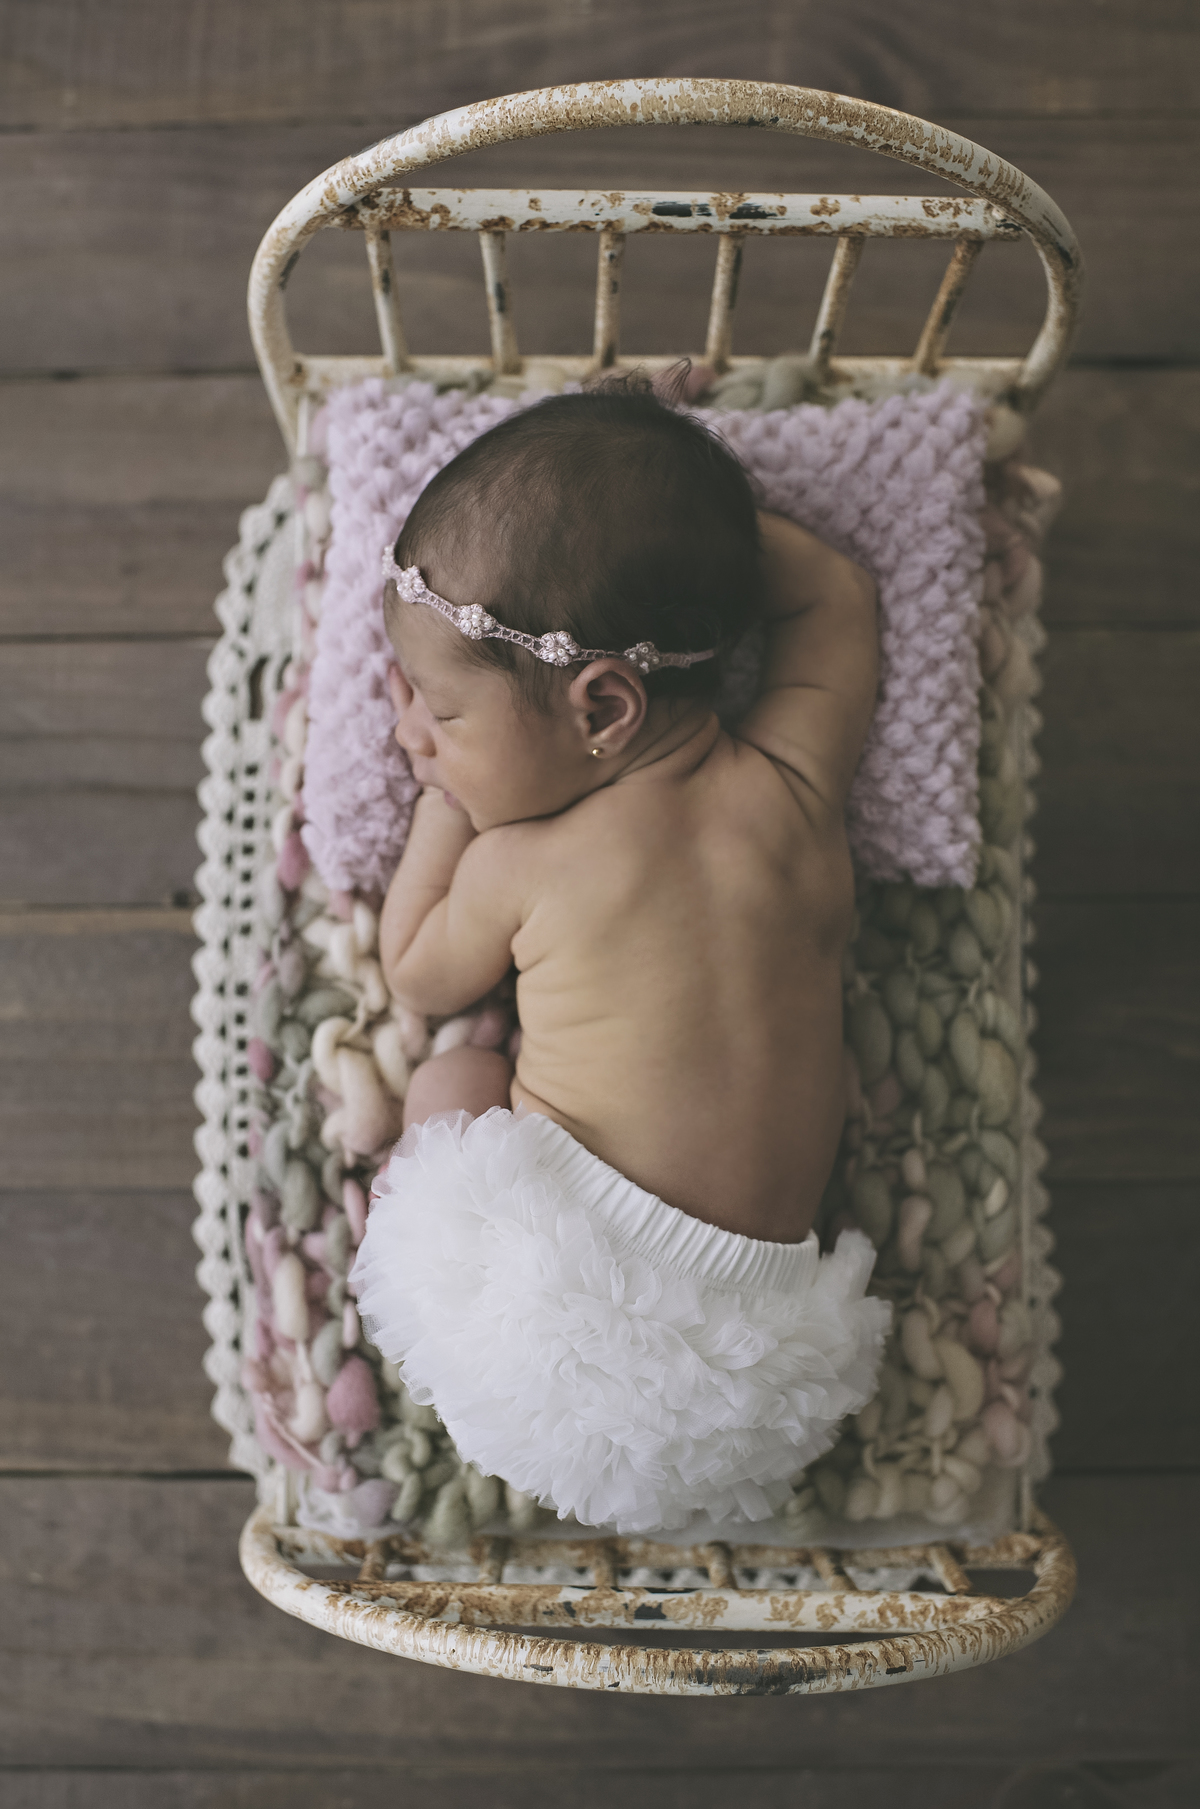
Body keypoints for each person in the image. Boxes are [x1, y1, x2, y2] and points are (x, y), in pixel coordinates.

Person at [350, 379, 892, 1535]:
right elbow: (835, 594)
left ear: (605, 705)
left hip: (557, 1328)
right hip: (771, 1361)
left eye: (440, 720)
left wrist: (449, 806)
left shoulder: (521, 864)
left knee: (452, 1080)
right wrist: (693, 510)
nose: (409, 736)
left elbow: (415, 974)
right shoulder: (793, 792)